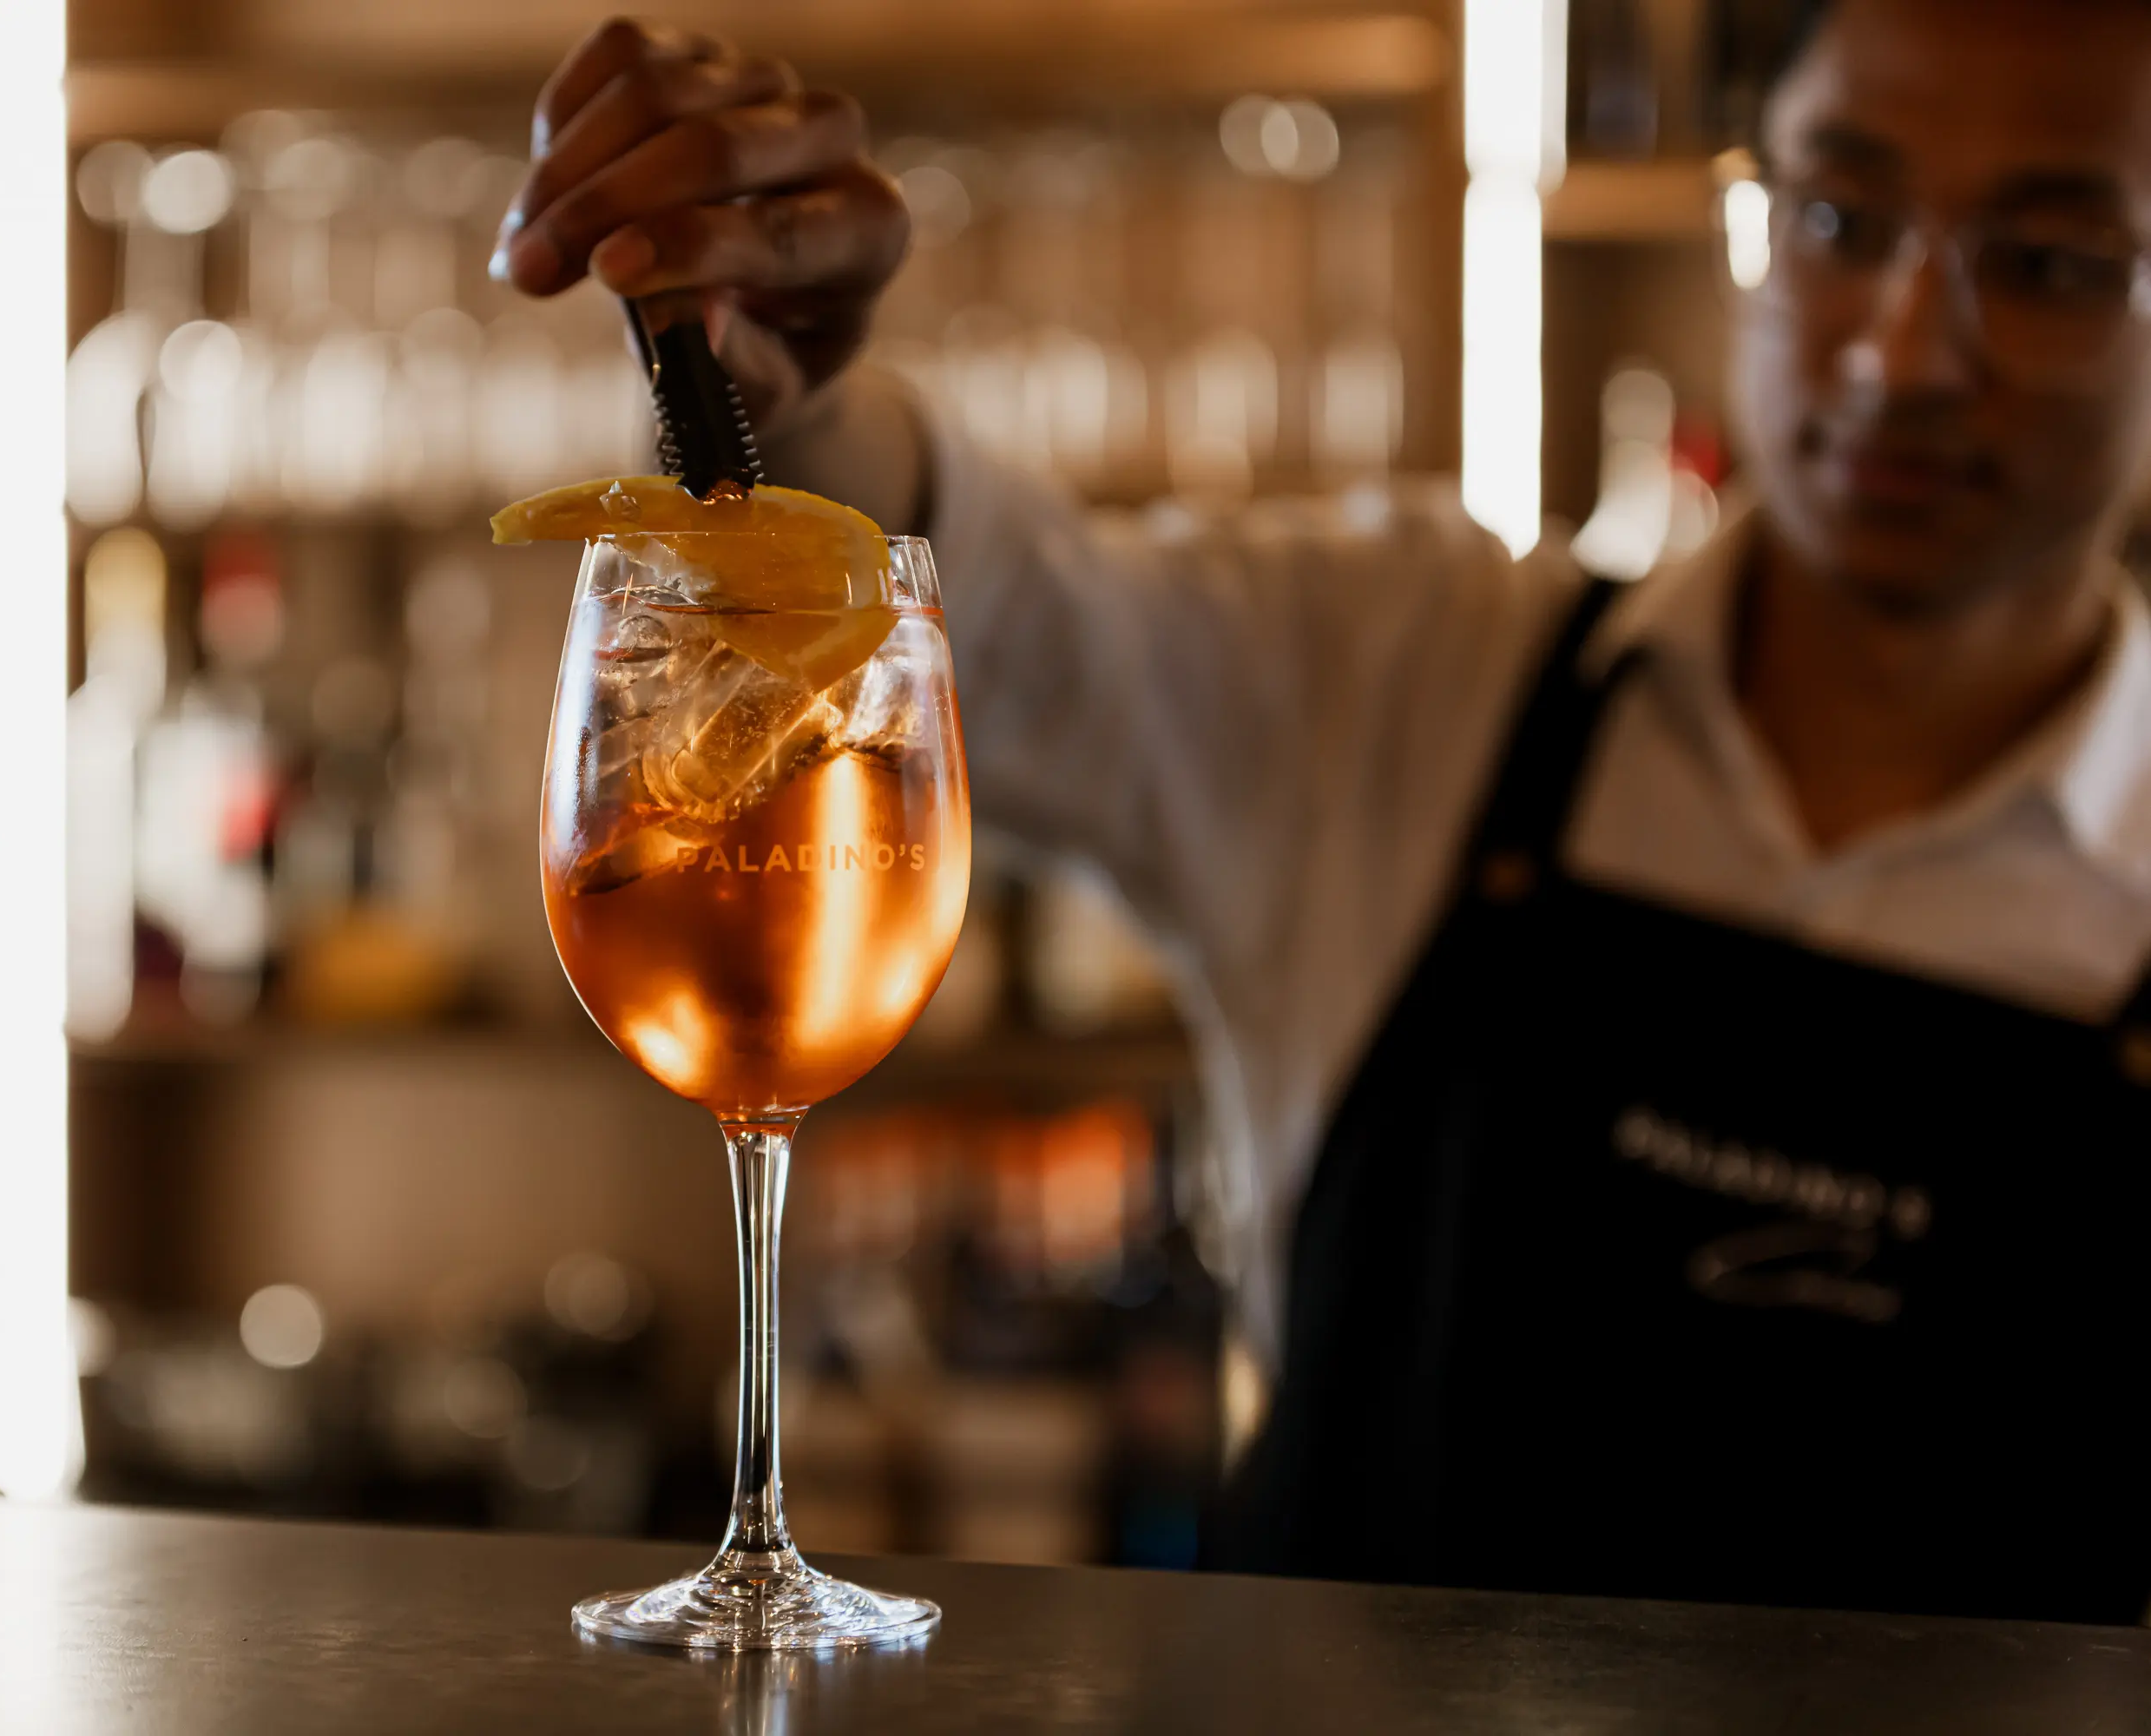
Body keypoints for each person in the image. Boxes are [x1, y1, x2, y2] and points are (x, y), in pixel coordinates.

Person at [495, 0, 2151, 1623]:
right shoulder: (1413, 673)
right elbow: (1002, 627)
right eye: (1841, 216)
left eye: (2055, 262)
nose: (1904, 350)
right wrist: (781, 392)